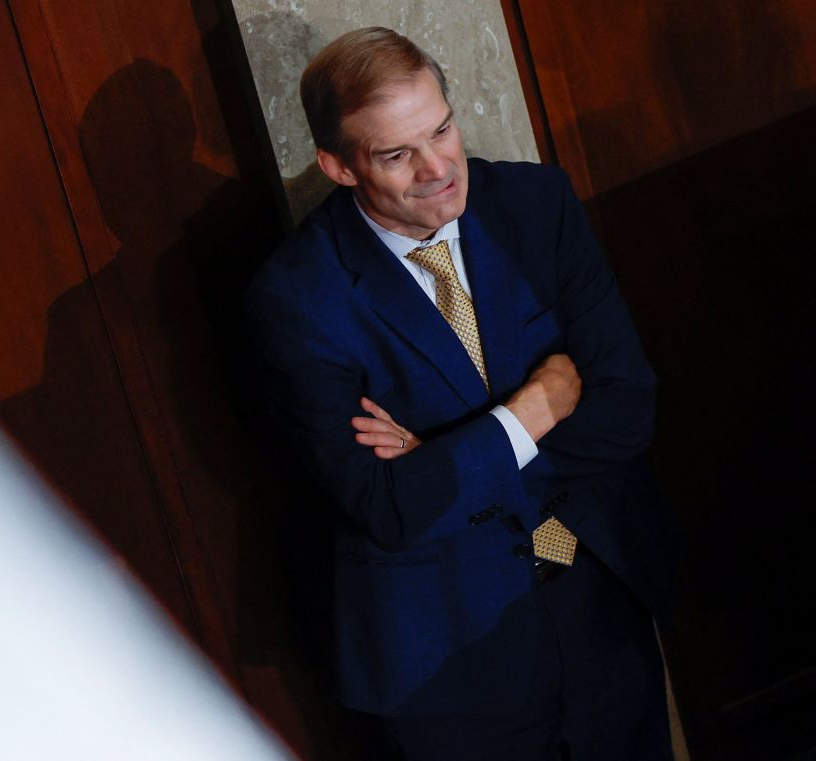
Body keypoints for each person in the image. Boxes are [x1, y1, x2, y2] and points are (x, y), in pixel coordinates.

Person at [244, 27, 676, 760]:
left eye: (441, 128)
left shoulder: (535, 203)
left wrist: (445, 460)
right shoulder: (296, 300)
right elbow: (386, 505)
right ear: (339, 166)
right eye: (396, 153)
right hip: (449, 667)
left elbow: (626, 403)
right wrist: (529, 412)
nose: (438, 166)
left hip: (598, 604)